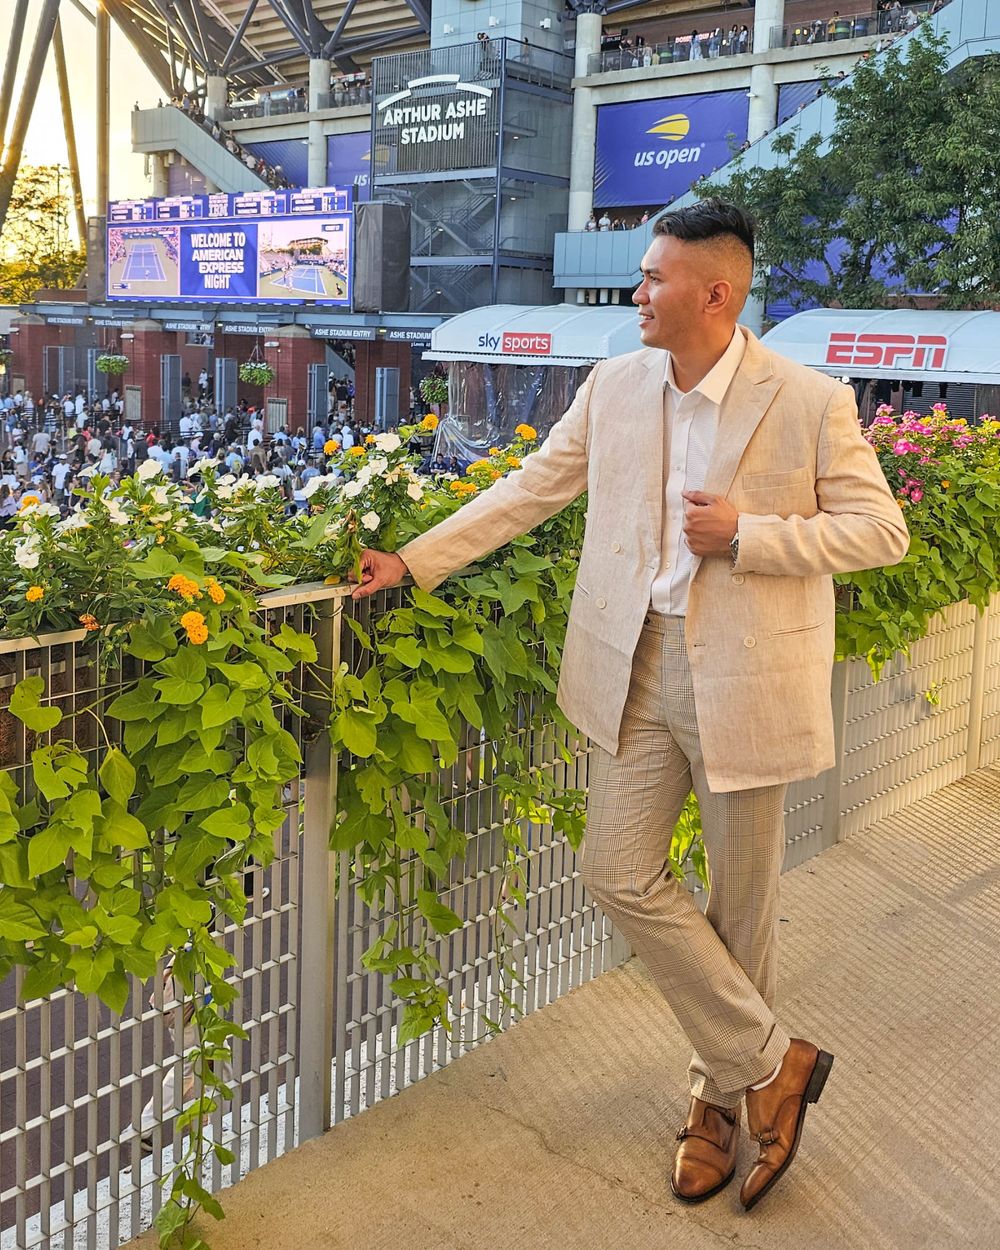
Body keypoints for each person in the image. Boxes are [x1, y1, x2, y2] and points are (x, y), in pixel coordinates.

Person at [349, 198, 909, 1212]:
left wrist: (751, 532)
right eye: (641, 274)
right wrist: (414, 559)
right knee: (616, 872)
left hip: (748, 677)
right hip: (631, 665)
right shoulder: (614, 383)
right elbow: (530, 489)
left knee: (743, 908)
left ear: (715, 292)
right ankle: (772, 1063)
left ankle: (714, 1102)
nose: (636, 292)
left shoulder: (808, 399)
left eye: (654, 278)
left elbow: (879, 531)